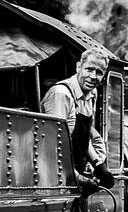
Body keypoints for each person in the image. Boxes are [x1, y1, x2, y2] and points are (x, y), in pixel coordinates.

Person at [40, 49, 115, 192]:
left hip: (75, 175)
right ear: (78, 67)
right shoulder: (61, 94)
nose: (93, 76)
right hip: (55, 178)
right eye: (89, 69)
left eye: (99, 73)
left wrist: (99, 165)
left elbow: (83, 138)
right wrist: (79, 178)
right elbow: (52, 148)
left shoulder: (93, 93)